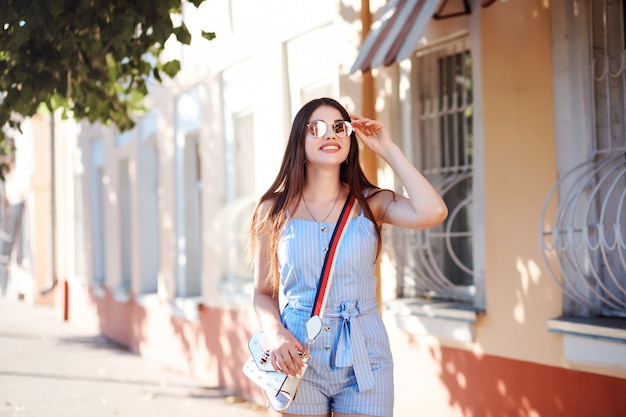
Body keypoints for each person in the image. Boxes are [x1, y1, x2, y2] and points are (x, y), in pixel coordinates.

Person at [249, 97, 447, 417]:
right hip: (296, 353)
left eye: (340, 127)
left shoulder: (372, 203)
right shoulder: (273, 210)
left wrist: (387, 148)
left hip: (365, 356)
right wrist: (275, 336)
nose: (330, 135)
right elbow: (263, 293)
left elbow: (433, 211)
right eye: (317, 128)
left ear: (350, 138)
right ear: (300, 139)